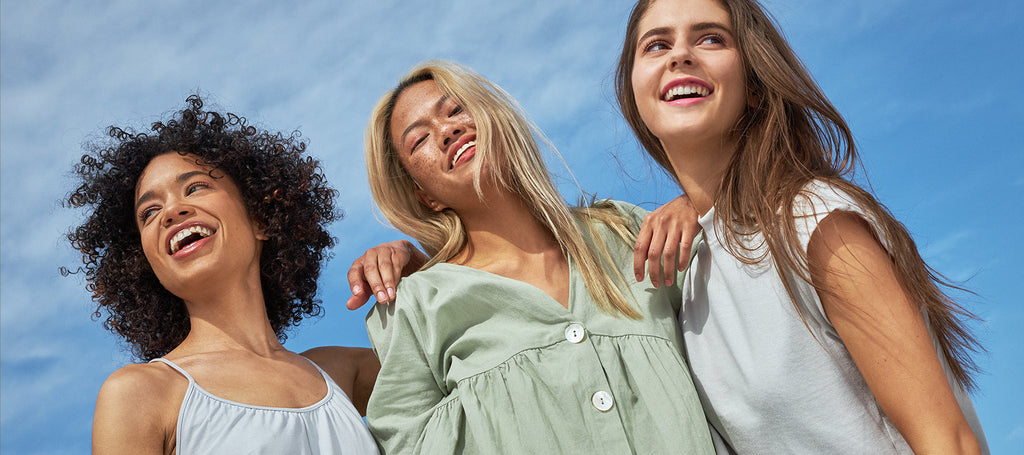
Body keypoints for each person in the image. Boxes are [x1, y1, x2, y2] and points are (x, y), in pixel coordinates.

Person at [614, 0, 987, 453]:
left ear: (754, 83)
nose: (679, 55)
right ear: (635, 93)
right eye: (655, 45)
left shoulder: (815, 221)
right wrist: (691, 206)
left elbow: (950, 441)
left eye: (711, 38)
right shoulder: (687, 274)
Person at [358, 61, 714, 454]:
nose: (447, 131)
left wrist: (702, 204)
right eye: (419, 140)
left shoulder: (624, 232)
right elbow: (407, 441)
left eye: (456, 110)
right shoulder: (416, 308)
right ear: (427, 197)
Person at [65, 95, 380, 454]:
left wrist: (415, 263)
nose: (171, 211)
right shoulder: (141, 393)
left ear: (261, 218)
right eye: (150, 212)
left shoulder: (340, 373)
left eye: (195, 187)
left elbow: (449, 360)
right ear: (145, 262)